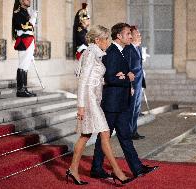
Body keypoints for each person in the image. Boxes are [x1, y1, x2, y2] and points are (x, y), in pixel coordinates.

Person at [90, 23, 158, 180]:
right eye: (127, 33)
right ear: (119, 36)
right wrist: (127, 78)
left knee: (125, 137)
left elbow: (118, 75)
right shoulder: (112, 53)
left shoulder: (122, 51)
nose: (130, 36)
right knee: (104, 138)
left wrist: (125, 77)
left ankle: (137, 168)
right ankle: (96, 168)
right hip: (112, 103)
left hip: (121, 102)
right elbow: (108, 78)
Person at [66, 25, 132, 185]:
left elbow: (94, 78)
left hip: (94, 98)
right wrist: (80, 106)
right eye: (106, 38)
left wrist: (114, 77)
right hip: (89, 100)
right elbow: (83, 81)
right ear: (97, 40)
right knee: (104, 133)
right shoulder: (90, 54)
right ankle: (117, 172)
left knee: (86, 135)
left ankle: (73, 170)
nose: (108, 42)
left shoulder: (95, 53)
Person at [123, 26, 146, 140]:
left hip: (138, 83)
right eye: (137, 35)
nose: (140, 37)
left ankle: (134, 131)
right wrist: (130, 85)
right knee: (131, 108)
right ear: (131, 37)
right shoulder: (128, 49)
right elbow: (127, 69)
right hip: (132, 84)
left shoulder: (138, 48)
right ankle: (128, 132)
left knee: (136, 108)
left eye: (140, 35)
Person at [12, 0, 37, 97]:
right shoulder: (18, 12)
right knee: (23, 65)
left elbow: (30, 29)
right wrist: (32, 19)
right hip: (24, 41)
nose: (29, 0)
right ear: (21, 1)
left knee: (26, 65)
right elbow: (24, 27)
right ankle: (20, 90)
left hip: (29, 41)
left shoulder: (26, 12)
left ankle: (24, 88)